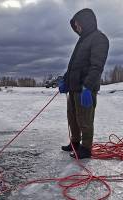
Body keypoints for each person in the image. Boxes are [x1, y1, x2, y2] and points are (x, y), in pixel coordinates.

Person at [59, 8, 109, 159]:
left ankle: (86, 149)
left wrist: (87, 86)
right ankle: (75, 143)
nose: (77, 28)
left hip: (84, 88)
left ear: (85, 22)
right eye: (75, 25)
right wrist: (65, 80)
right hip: (74, 88)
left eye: (78, 24)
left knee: (84, 119)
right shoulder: (82, 41)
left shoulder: (99, 38)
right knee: (72, 117)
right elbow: (75, 65)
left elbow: (97, 66)